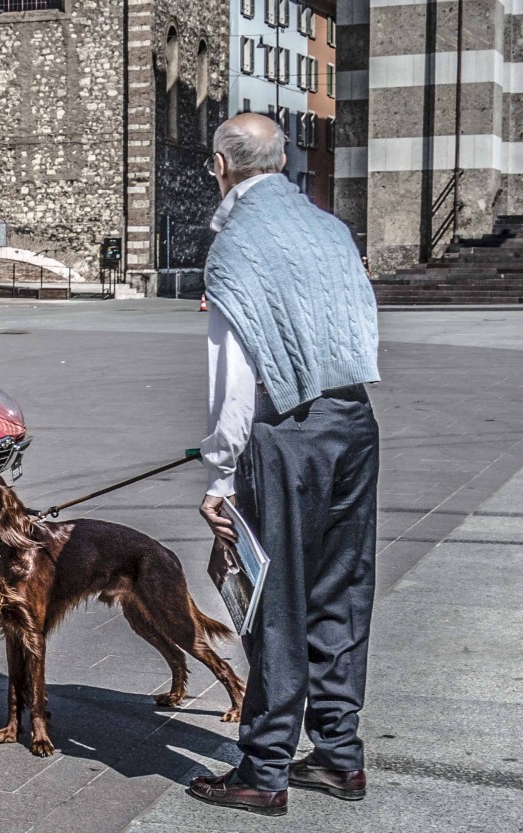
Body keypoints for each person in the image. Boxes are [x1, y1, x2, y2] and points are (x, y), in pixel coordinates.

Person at [188, 113, 381, 816]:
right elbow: (361, 323)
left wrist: (219, 474)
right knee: (342, 589)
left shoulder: (235, 244)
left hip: (286, 433)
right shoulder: (331, 229)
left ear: (220, 165)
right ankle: (338, 754)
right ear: (286, 160)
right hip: (354, 419)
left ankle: (263, 767)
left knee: (276, 599)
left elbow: (233, 376)